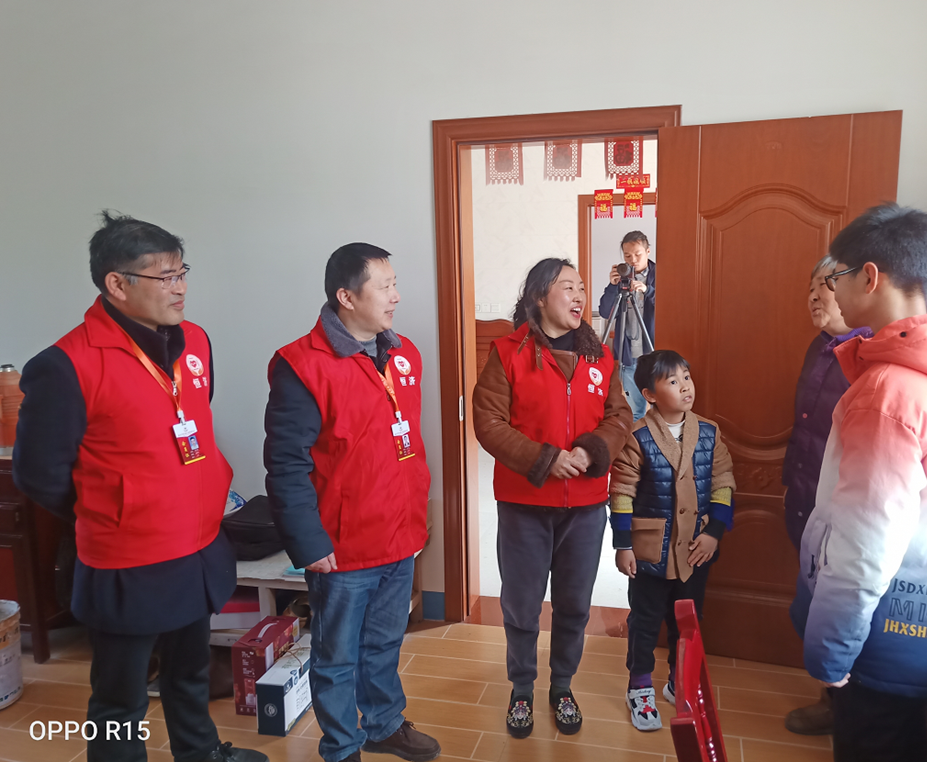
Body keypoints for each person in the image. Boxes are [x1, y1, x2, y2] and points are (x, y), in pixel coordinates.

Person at [13, 211, 265, 762]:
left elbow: (190, 420)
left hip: (198, 545)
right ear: (117, 284)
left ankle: (200, 754)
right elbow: (39, 474)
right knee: (120, 698)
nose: (180, 288)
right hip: (128, 559)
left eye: (182, 273)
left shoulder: (195, 342)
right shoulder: (65, 365)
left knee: (190, 673)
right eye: (164, 276)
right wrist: (118, 508)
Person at [790, 204, 927, 762]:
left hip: (882, 629)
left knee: (874, 741)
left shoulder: (889, 392)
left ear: (869, 277)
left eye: (837, 277)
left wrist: (829, 656)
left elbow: (863, 546)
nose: (832, 291)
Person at [264, 243, 439, 762]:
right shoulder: (301, 365)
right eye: (384, 287)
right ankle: (342, 747)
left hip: (399, 532)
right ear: (346, 296)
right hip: (342, 546)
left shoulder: (404, 354)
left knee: (385, 643)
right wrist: (308, 542)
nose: (396, 296)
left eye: (394, 284)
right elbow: (286, 464)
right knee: (336, 655)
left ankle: (384, 724)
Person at [473, 258, 632, 739]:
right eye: (568, 287)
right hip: (524, 503)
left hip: (585, 506)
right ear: (540, 297)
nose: (580, 295)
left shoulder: (601, 357)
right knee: (521, 604)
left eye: (582, 287)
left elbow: (620, 416)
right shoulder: (508, 352)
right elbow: (488, 422)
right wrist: (545, 459)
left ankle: (561, 686)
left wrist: (591, 450)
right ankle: (522, 688)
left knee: (574, 604)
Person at [609, 350, 735, 731]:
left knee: (687, 622)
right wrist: (623, 545)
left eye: (686, 378)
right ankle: (639, 686)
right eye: (673, 381)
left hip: (695, 551)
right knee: (645, 621)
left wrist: (714, 534)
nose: (685, 387)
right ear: (649, 394)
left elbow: (723, 482)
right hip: (651, 553)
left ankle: (679, 681)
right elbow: (622, 492)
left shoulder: (709, 432)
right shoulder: (637, 437)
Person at [783, 255, 872, 736]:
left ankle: (847, 710)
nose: (814, 296)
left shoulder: (871, 356)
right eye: (810, 286)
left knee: (841, 605)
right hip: (806, 499)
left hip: (845, 509)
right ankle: (833, 700)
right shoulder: (819, 348)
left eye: (826, 284)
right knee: (814, 604)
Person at [598, 231, 656, 421]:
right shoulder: (621, 279)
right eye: (627, 255)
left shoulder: (661, 274)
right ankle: (635, 439)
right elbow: (605, 312)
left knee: (662, 407)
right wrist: (612, 286)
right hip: (629, 354)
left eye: (638, 254)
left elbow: (672, 308)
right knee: (635, 411)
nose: (633, 260)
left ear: (647, 251)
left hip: (654, 351)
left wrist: (648, 291)